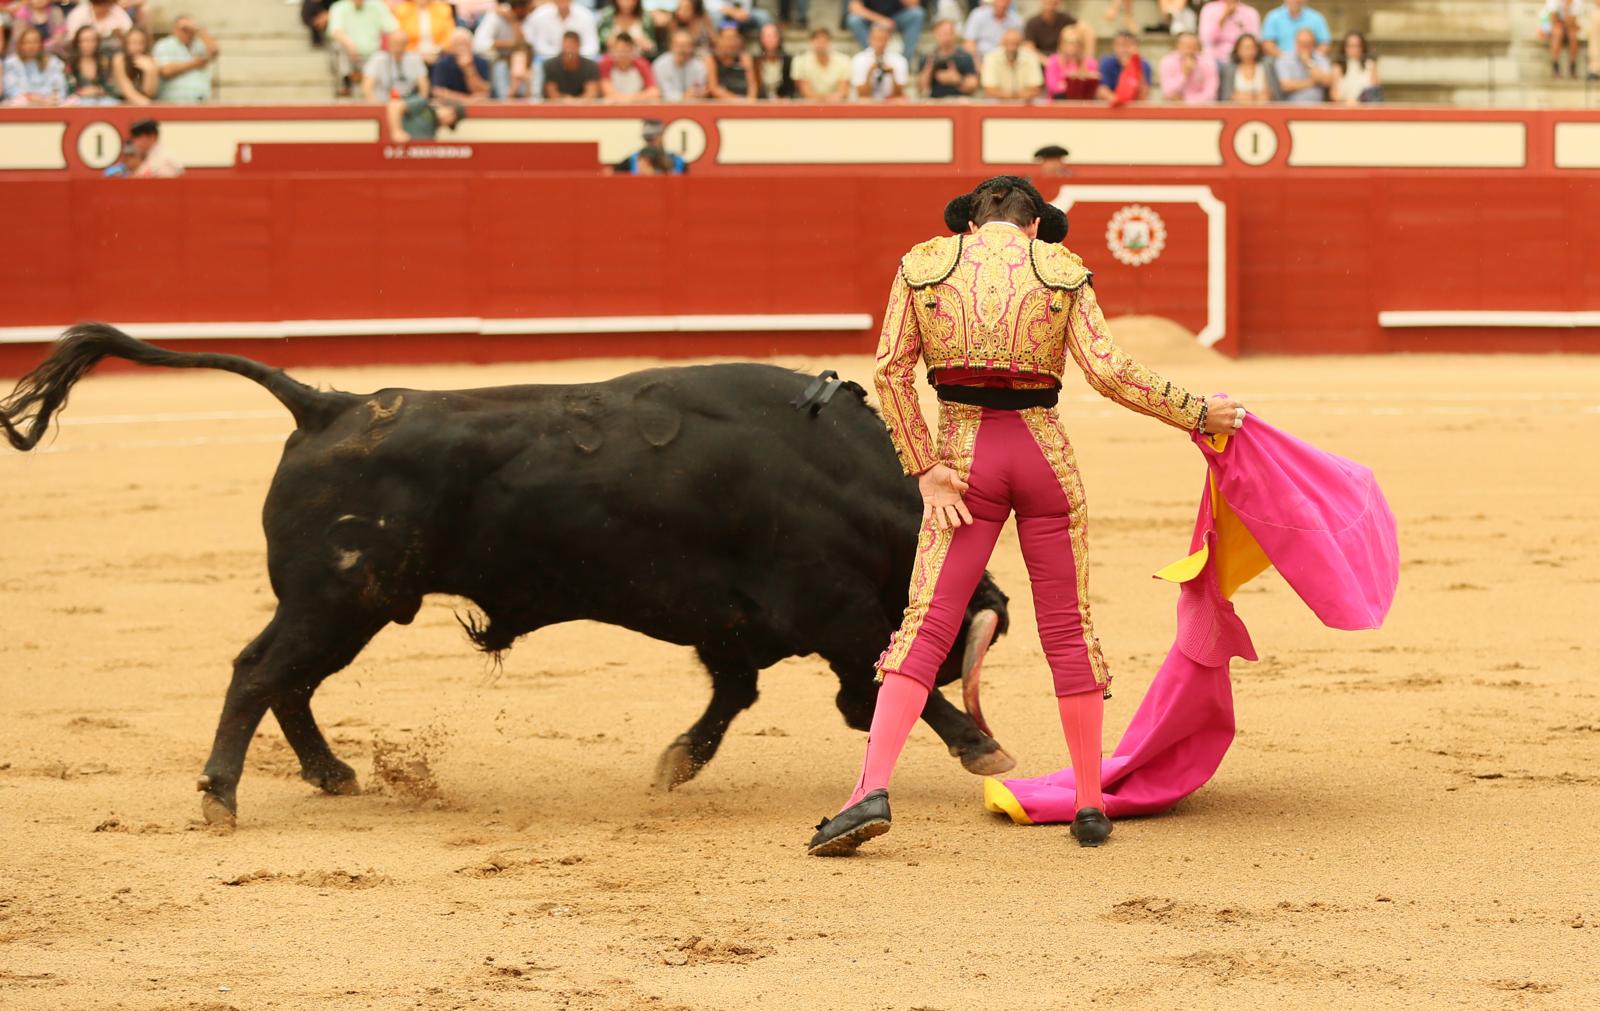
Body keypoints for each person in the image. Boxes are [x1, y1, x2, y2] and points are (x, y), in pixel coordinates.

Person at [805, 176, 1244, 857]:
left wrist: (924, 468)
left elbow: (890, 371)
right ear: (1036, 226)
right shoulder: (1062, 269)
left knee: (925, 624)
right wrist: (1195, 410)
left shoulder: (924, 265)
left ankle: (870, 789)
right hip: (1044, 458)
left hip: (962, 462)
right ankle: (1091, 804)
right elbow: (1108, 371)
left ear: (968, 226)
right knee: (1068, 627)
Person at [328, 0, 397, 96]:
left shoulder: (377, 6)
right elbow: (335, 31)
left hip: (374, 55)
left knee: (383, 56)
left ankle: (381, 87)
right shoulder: (339, 7)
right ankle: (346, 82)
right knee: (338, 47)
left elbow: (393, 29)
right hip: (349, 55)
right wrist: (350, 45)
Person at [473, 0, 534, 98]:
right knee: (500, 66)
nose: (524, 10)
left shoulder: (530, 17)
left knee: (523, 59)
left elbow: (526, 45)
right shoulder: (496, 16)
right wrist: (509, 44)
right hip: (498, 59)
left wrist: (513, 21)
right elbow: (478, 44)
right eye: (520, 6)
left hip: (524, 59)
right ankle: (505, 96)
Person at [153, 13, 217, 102]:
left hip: (200, 102)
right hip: (172, 103)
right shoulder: (164, 45)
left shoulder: (200, 43)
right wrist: (195, 63)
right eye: (184, 29)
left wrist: (198, 30)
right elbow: (166, 70)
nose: (187, 32)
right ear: (174, 29)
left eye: (190, 29)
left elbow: (214, 51)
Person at [845, 0, 925, 66]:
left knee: (917, 14)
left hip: (897, 19)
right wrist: (880, 19)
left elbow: (914, 3)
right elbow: (854, 7)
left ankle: (904, 63)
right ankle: (874, 59)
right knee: (853, 20)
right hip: (871, 19)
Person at [3, 25, 66, 104]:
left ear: (41, 45)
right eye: (27, 42)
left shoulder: (53, 63)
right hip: (21, 106)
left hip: (48, 105)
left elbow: (59, 89)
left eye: (35, 42)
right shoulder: (11, 63)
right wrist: (31, 98)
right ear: (20, 45)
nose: (31, 46)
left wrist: (44, 99)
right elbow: (10, 90)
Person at [919, 18, 977, 100]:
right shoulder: (927, 58)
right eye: (942, 34)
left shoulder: (965, 57)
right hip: (934, 102)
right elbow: (921, 90)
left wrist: (958, 80)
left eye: (949, 33)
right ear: (935, 34)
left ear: (954, 34)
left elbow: (973, 86)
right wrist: (929, 70)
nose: (946, 38)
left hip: (959, 101)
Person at [527, 0, 600, 64]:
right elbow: (539, 46)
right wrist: (562, 55)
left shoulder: (586, 15)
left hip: (581, 61)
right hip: (550, 61)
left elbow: (592, 46)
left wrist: (573, 55)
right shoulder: (539, 16)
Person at [364, 29, 428, 100]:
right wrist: (376, 106)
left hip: (407, 103)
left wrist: (419, 103)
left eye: (401, 43)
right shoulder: (378, 59)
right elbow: (367, 86)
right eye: (395, 43)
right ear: (389, 43)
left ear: (406, 44)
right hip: (382, 101)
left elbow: (424, 85)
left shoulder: (415, 59)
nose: (398, 47)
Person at [980, 27, 1042, 101]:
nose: (1011, 48)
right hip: (997, 105)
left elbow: (1035, 89)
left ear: (1021, 44)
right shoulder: (991, 57)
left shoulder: (1031, 57)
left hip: (1024, 105)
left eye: (1015, 44)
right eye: (1008, 43)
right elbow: (989, 90)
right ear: (1002, 43)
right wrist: (1017, 95)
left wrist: (1005, 94)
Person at [849, 21, 907, 100]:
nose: (879, 44)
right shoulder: (859, 59)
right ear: (869, 39)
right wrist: (869, 73)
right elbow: (862, 94)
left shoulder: (899, 60)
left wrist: (893, 75)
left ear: (889, 40)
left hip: (890, 103)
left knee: (900, 101)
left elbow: (898, 94)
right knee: (864, 101)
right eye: (876, 39)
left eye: (883, 39)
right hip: (867, 104)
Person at [1158, 29, 1217, 103]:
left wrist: (1187, 101)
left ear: (1198, 47)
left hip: (1200, 107)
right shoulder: (1167, 62)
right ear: (1177, 46)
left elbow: (1211, 94)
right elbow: (1167, 91)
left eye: (1193, 46)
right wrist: (1184, 74)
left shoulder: (1207, 63)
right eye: (1186, 45)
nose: (1190, 50)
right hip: (1174, 107)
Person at [430, 26, 489, 100]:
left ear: (472, 45)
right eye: (458, 44)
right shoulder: (442, 63)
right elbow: (438, 92)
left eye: (465, 44)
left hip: (477, 107)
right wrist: (467, 100)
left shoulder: (481, 62)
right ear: (451, 46)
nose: (461, 48)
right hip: (452, 106)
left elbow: (485, 92)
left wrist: (468, 69)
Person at [791, 26, 848, 100]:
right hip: (808, 107)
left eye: (824, 41)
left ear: (830, 42)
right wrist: (828, 98)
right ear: (811, 41)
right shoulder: (800, 61)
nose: (821, 44)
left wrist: (826, 99)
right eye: (818, 40)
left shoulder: (844, 60)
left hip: (836, 106)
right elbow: (805, 92)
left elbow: (843, 91)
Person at [1197, 0, 1259, 67]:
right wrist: (1224, 17)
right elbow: (1206, 39)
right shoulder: (1209, 9)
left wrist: (1241, 26)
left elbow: (1254, 41)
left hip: (1240, 60)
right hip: (1215, 59)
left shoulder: (1250, 12)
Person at [1274, 25, 1329, 102]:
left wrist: (1308, 62)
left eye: (1308, 43)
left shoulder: (1321, 58)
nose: (1305, 47)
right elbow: (1286, 86)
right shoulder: (1284, 59)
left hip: (1318, 107)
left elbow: (1327, 81)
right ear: (1296, 43)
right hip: (1292, 108)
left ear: (1313, 43)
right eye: (1302, 43)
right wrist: (1314, 82)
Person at [1043, 24, 1098, 100]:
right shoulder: (1053, 61)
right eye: (1067, 42)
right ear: (1061, 44)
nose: (1071, 46)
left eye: (1075, 42)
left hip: (1083, 104)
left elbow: (1092, 88)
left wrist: (1067, 84)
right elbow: (1053, 87)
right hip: (1057, 104)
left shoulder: (1090, 62)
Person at [613, 118, 688, 173]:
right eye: (647, 138)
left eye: (653, 137)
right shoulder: (633, 158)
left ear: (662, 135)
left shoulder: (676, 159)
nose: (651, 142)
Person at [63, 24, 115, 103]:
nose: (89, 44)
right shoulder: (70, 64)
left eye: (93, 40)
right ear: (77, 43)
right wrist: (83, 92)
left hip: (102, 101)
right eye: (85, 41)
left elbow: (111, 89)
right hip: (78, 103)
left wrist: (97, 90)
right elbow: (68, 89)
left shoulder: (104, 62)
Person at [599, 31, 658, 99]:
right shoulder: (605, 63)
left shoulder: (642, 64)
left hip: (636, 105)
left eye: (627, 51)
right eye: (619, 51)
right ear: (612, 50)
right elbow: (607, 91)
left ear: (633, 50)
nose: (623, 54)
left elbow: (654, 91)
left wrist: (629, 99)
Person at [652, 27, 708, 99]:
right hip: (666, 107)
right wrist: (684, 96)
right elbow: (663, 93)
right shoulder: (660, 65)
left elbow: (699, 91)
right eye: (681, 46)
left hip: (692, 106)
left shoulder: (699, 67)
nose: (684, 50)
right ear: (671, 46)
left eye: (688, 45)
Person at [542, 28, 599, 98]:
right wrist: (567, 101)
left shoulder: (590, 66)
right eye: (567, 45)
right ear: (562, 45)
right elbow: (551, 94)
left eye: (572, 45)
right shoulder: (550, 65)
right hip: (558, 106)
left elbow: (591, 93)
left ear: (579, 45)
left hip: (582, 106)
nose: (569, 50)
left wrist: (575, 102)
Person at [1259, 0, 1328, 58]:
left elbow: (1324, 44)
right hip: (1280, 61)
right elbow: (1267, 44)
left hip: (1309, 62)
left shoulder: (1317, 18)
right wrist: (1287, 59)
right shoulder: (1273, 17)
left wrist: (1313, 58)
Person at [1217, 31, 1272, 101]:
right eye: (1245, 47)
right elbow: (1225, 96)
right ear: (1237, 49)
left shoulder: (1266, 67)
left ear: (1257, 49)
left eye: (1251, 47)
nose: (1248, 51)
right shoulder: (1229, 69)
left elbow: (1272, 94)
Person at [705, 22, 754, 99]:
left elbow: (752, 86)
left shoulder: (745, 58)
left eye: (734, 38)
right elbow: (713, 88)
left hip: (745, 103)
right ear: (719, 40)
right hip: (722, 105)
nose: (731, 43)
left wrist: (750, 101)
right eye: (728, 38)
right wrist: (737, 101)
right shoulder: (711, 59)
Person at [385, 93, 465, 140]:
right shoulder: (424, 104)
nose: (448, 119)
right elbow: (394, 105)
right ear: (444, 105)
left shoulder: (432, 133)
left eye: (452, 120)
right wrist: (397, 131)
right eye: (451, 113)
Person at [1096, 29, 1148, 102]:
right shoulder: (1106, 63)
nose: (1122, 49)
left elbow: (1144, 96)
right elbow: (1101, 91)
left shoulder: (1143, 65)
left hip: (1133, 108)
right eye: (1118, 45)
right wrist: (1119, 103)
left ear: (1136, 47)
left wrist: (1135, 66)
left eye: (1127, 45)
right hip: (1112, 107)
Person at [109, 24, 156, 102]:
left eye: (141, 43)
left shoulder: (150, 61)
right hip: (120, 103)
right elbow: (128, 92)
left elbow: (149, 93)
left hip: (143, 104)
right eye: (133, 43)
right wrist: (148, 106)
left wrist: (149, 71)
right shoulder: (119, 59)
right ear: (126, 44)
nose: (137, 48)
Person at [1330, 29, 1378, 103]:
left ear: (1363, 47)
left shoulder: (1371, 64)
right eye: (1350, 46)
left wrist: (1358, 103)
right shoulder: (1338, 66)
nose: (1354, 50)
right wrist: (1349, 103)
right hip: (1343, 108)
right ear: (1344, 48)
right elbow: (1334, 95)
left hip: (1365, 108)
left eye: (1357, 46)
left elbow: (1374, 91)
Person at [1542, 0, 1583, 77]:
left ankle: (1572, 65)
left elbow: (1571, 21)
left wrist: (1566, 8)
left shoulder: (1577, 1)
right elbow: (1553, 19)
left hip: (1569, 26)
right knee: (1558, 33)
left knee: (1573, 35)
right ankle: (1555, 64)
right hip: (1555, 25)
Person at [62, 0, 130, 47]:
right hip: (83, 52)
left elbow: (129, 32)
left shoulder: (117, 11)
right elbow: (72, 37)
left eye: (108, 5)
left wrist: (120, 34)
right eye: (102, 5)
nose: (106, 8)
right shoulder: (79, 14)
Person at [750, 22, 792, 98]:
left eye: (773, 36)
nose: (769, 39)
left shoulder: (788, 60)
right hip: (761, 103)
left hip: (784, 103)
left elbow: (790, 89)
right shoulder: (755, 61)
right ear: (760, 39)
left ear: (779, 38)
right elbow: (755, 88)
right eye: (766, 36)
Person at [706, 0, 772, 36]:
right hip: (724, 18)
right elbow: (710, 6)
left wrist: (741, 13)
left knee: (763, 16)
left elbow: (747, 7)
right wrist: (732, 11)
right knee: (715, 16)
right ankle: (717, 44)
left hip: (742, 16)